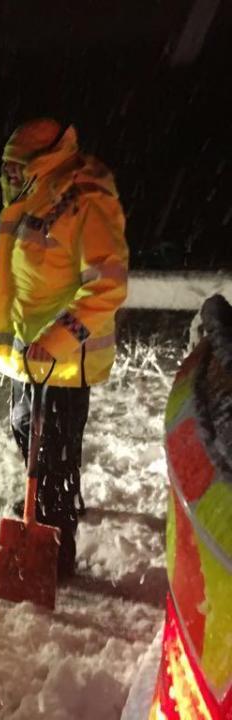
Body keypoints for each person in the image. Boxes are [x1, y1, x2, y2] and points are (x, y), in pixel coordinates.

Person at [0, 118, 129, 579]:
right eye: (5, 168)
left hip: (65, 360)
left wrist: (56, 339)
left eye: (15, 167)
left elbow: (107, 284)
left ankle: (55, 543)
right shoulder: (36, 195)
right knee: (25, 431)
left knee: (53, 456)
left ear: (41, 161)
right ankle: (45, 498)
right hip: (29, 356)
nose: (7, 177)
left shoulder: (85, 200)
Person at [148, 294, 231, 718]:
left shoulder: (84, 222)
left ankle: (59, 515)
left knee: (57, 445)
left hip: (68, 356)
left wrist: (64, 332)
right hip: (32, 351)